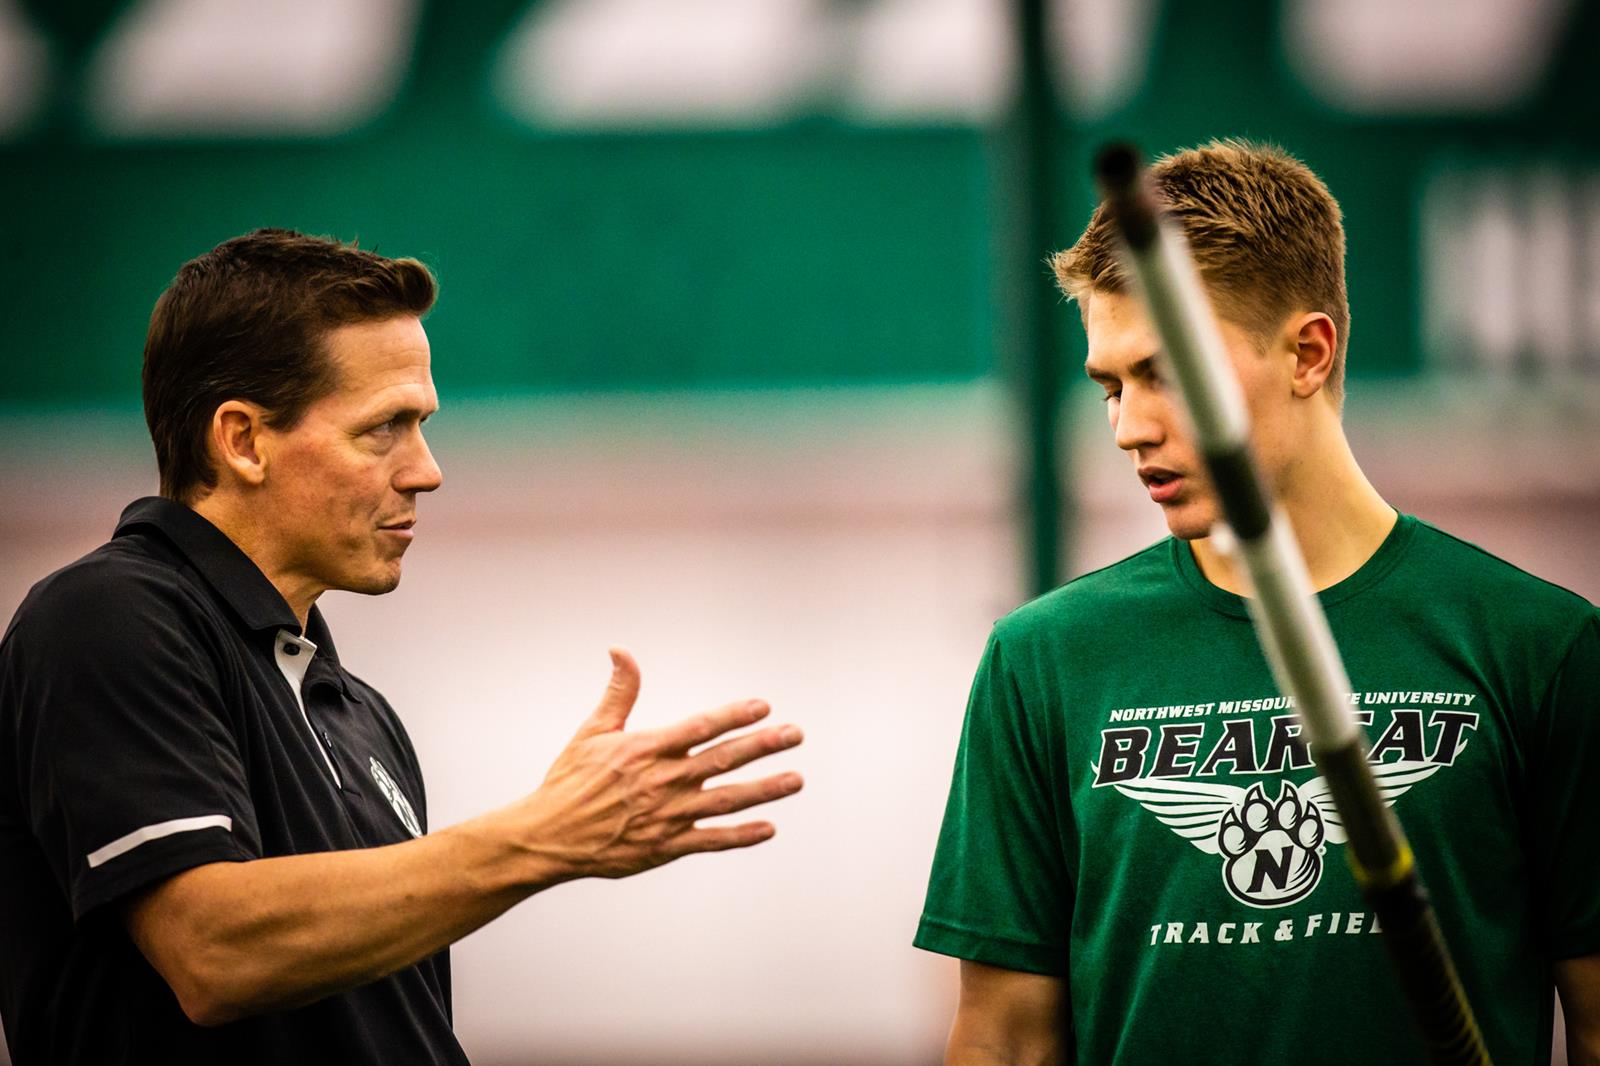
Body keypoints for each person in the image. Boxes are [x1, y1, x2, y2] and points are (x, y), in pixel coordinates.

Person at [0, 229, 805, 1065]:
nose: (427, 470)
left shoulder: (359, 713)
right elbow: (214, 952)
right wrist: (540, 837)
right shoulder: (105, 615)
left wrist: (538, 838)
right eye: (384, 427)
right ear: (242, 440)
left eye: (421, 424)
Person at [915, 140, 1600, 1065]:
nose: (1128, 428)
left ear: (1307, 354)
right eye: (1110, 386)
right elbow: (1004, 1045)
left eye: (1165, 374)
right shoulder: (1042, 663)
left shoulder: (1540, 651)